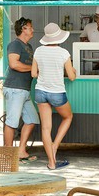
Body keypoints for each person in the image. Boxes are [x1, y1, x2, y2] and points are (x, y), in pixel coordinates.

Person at [30, 22, 77, 170]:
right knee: (68, 117)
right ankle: (55, 145)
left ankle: (51, 163)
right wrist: (73, 70)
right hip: (57, 92)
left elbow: (33, 74)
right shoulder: (63, 53)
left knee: (45, 128)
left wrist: (44, 73)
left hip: (40, 92)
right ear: (59, 37)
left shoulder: (38, 51)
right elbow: (71, 77)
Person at [3, 17, 39, 161]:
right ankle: (8, 154)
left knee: (31, 120)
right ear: (23, 29)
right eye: (30, 27)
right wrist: (33, 69)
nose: (33, 30)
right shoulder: (15, 45)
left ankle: (20, 150)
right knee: (12, 122)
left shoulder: (28, 47)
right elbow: (14, 64)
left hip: (24, 90)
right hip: (15, 89)